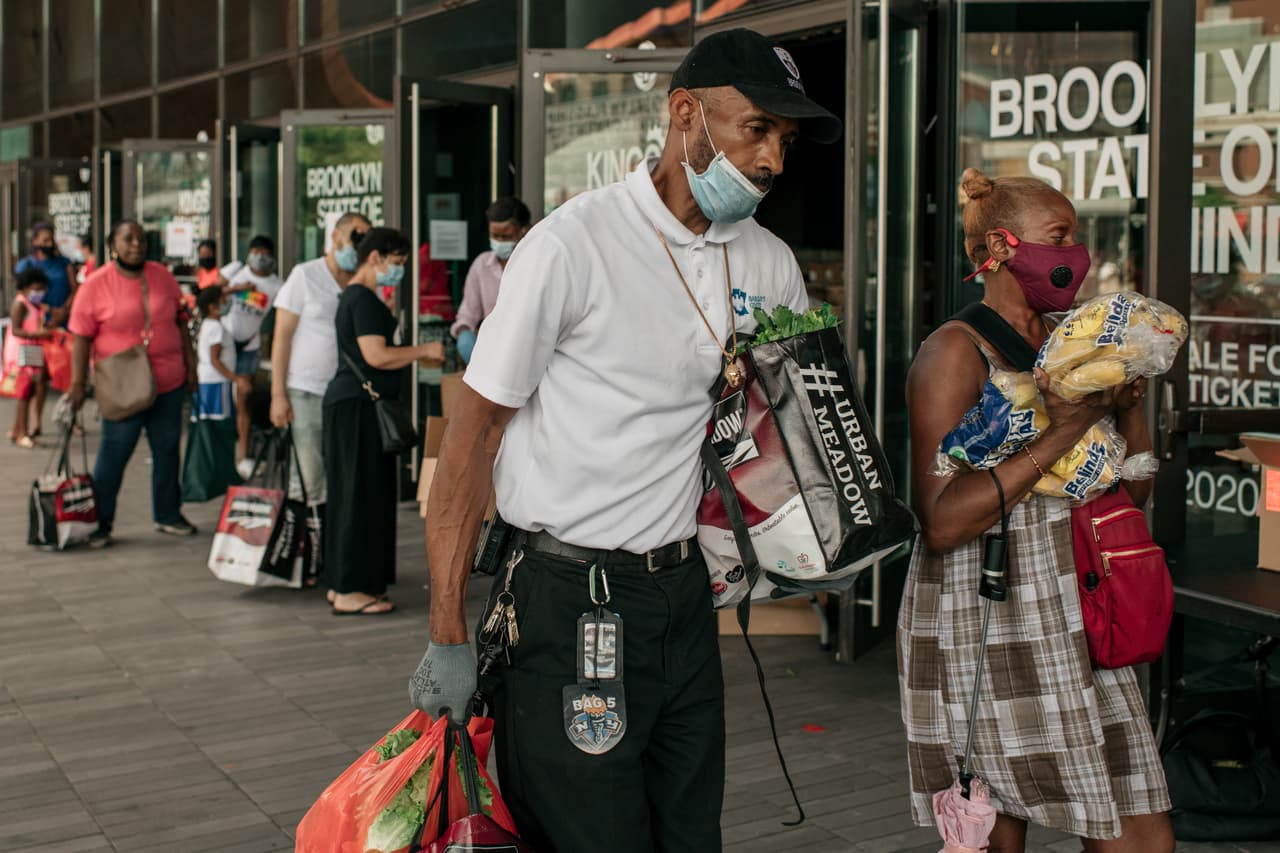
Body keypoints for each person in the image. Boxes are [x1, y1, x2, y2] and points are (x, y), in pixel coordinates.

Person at [408, 28, 841, 853]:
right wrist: (447, 626)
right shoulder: (571, 247)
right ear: (686, 114)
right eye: (756, 129)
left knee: (688, 834)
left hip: (681, 599)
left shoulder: (770, 263)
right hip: (565, 597)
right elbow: (472, 431)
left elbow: (776, 435)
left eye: (784, 140)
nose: (773, 161)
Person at [896, 168, 1173, 853]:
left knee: (1141, 834)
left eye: (1076, 239)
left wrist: (1130, 415)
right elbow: (940, 520)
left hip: (1077, 608)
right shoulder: (954, 352)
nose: (1076, 255)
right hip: (987, 611)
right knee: (997, 836)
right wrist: (1065, 427)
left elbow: (1128, 497)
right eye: (1061, 237)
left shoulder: (1074, 342)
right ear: (1002, 244)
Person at [323, 227, 444, 615]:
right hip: (358, 408)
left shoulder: (358, 297)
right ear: (374, 257)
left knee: (356, 494)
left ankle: (346, 582)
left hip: (353, 406)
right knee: (359, 495)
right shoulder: (362, 299)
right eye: (397, 263)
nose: (400, 271)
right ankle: (350, 589)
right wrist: (422, 349)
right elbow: (375, 355)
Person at [68, 220, 200, 547]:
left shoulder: (163, 276)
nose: (136, 244)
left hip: (168, 378)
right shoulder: (96, 285)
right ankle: (100, 521)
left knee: (168, 449)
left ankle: (168, 513)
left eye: (141, 238)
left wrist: (192, 368)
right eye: (128, 239)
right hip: (122, 384)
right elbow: (81, 337)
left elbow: (181, 324)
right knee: (114, 453)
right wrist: (77, 383)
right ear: (113, 245)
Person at [270, 212, 371, 536]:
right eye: (356, 237)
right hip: (306, 392)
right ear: (336, 237)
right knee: (309, 477)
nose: (360, 245)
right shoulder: (305, 275)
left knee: (340, 475)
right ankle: (304, 553)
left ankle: (331, 550)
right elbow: (281, 336)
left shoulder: (361, 279)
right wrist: (277, 395)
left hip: (346, 394)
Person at [222, 235, 283, 475]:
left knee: (244, 399)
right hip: (223, 343)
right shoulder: (237, 271)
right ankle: (224, 455)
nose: (259, 256)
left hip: (249, 345)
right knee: (223, 401)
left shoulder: (277, 286)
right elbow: (210, 294)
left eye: (264, 252)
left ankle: (243, 457)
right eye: (255, 251)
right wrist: (237, 288)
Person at [449, 197, 531, 362]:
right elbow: (467, 313)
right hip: (491, 355)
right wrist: (465, 334)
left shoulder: (534, 264)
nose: (499, 241)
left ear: (524, 231)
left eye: (506, 236)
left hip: (527, 353)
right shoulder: (481, 265)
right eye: (495, 236)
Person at [182, 286, 244, 501]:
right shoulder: (216, 328)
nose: (227, 303)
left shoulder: (208, 325)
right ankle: (221, 476)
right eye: (224, 299)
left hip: (208, 383)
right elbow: (216, 360)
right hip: (217, 384)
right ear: (212, 307)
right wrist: (236, 379)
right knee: (219, 430)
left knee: (208, 430)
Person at [16, 222, 75, 433]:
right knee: (38, 378)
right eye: (44, 239)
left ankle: (71, 420)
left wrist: (62, 313)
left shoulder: (63, 262)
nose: (48, 243)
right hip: (37, 327)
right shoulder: (26, 264)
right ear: (35, 241)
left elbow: (74, 289)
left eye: (51, 239)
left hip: (62, 323)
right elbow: (21, 296)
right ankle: (35, 422)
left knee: (68, 373)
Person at [4, 268, 52, 447]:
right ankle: (22, 434)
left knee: (29, 392)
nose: (39, 293)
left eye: (42, 289)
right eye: (35, 289)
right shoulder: (20, 304)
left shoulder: (34, 305)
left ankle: (17, 429)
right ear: (25, 288)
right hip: (21, 354)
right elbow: (16, 329)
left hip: (31, 352)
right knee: (24, 393)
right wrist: (39, 335)